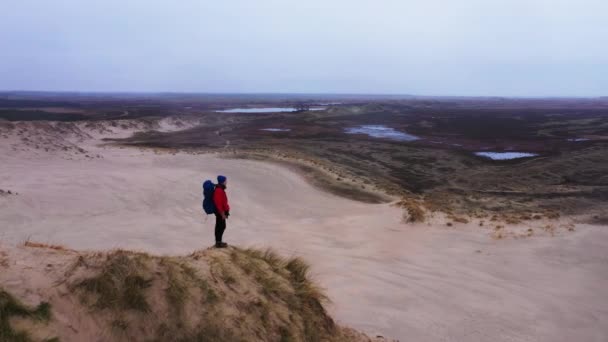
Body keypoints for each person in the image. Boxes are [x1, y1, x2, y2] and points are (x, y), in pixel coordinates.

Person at [213, 175, 230, 248]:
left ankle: (219, 242)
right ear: (222, 181)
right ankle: (218, 243)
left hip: (222, 211)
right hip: (220, 212)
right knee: (221, 226)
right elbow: (219, 204)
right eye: (225, 181)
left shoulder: (220, 189)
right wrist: (222, 213)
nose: (226, 182)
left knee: (221, 226)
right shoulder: (219, 191)